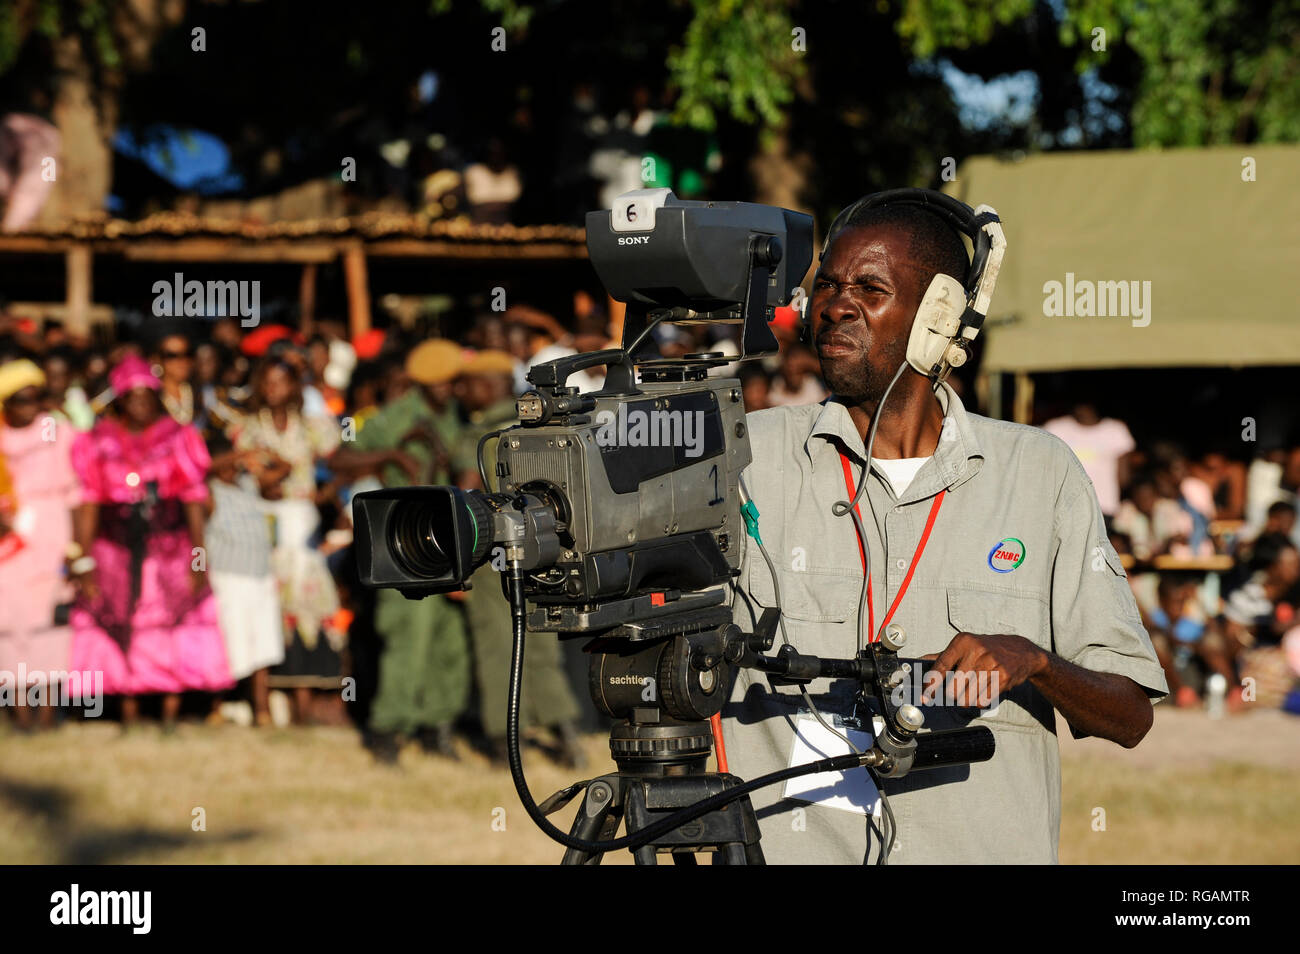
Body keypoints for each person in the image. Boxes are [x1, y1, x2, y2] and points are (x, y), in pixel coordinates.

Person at [723, 196, 1166, 864]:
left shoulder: (1040, 473)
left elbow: (1129, 716)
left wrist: (1034, 661)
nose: (835, 306)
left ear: (938, 319)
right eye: (827, 286)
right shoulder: (743, 458)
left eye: (870, 289)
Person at [68, 356, 232, 729]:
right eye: (131, 396)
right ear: (120, 399)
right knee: (122, 622)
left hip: (169, 547)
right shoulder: (97, 440)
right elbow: (89, 502)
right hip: (114, 548)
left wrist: (198, 559)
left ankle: (169, 716)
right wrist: (84, 560)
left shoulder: (179, 436)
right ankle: (129, 714)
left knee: (171, 625)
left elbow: (193, 500)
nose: (139, 402)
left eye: (147, 395)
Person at [331, 338, 471, 762]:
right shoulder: (397, 416)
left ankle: (437, 727)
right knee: (408, 637)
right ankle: (388, 731)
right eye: (440, 381)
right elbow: (339, 461)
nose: (448, 388)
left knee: (449, 642)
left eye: (453, 380)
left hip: (451, 543)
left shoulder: (462, 415)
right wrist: (388, 453)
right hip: (402, 542)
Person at [450, 349, 585, 768]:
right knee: (541, 642)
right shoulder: (538, 425)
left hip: (493, 555)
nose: (462, 390)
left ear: (490, 385)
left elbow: (465, 499)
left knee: (497, 645)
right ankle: (565, 734)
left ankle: (503, 741)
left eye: (470, 382)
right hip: (540, 548)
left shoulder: (478, 435)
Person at [226, 357, 342, 723]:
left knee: (308, 608)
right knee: (269, 609)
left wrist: (327, 495)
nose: (273, 388)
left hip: (302, 525)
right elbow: (256, 479)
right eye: (267, 381)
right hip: (262, 526)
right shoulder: (245, 429)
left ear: (295, 387)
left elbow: (341, 461)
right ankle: (270, 698)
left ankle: (309, 701)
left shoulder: (313, 427)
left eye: (281, 381)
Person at [0, 359, 79, 729]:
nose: (31, 406)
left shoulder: (53, 431)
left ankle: (47, 714)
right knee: (9, 622)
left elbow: (76, 487)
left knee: (50, 621)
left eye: (37, 397)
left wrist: (78, 547)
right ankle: (19, 713)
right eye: (21, 399)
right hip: (9, 538)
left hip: (51, 528)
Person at [204, 432, 284, 725]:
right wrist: (238, 454)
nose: (231, 467)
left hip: (261, 577)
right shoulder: (208, 491)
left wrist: (262, 451)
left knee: (262, 647)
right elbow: (200, 468)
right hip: (229, 579)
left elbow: (285, 468)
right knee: (229, 645)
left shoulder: (248, 486)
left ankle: (262, 711)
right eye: (226, 460)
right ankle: (217, 709)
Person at [1041, 402, 1136, 520]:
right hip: (1064, 509)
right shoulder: (1055, 428)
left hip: (1101, 509)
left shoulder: (1115, 430)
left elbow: (1123, 478)